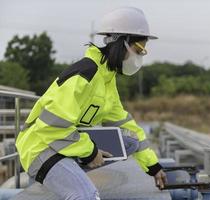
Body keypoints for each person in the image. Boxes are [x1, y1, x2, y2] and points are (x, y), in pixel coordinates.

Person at [16, 7, 167, 200]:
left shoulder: (106, 79)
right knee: (87, 196)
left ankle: (68, 174)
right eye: (138, 49)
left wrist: (153, 167)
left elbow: (125, 124)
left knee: (130, 141)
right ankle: (65, 178)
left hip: (64, 143)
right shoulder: (84, 74)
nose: (141, 56)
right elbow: (52, 128)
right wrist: (90, 152)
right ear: (122, 43)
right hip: (41, 148)